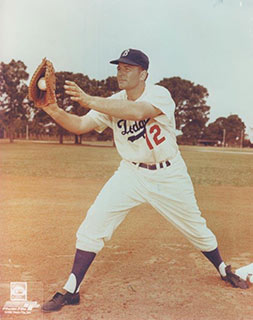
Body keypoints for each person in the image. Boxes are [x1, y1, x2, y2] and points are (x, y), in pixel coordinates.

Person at [40, 49, 248, 312]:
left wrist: (90, 99)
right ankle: (71, 288)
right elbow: (80, 125)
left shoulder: (159, 94)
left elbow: (137, 111)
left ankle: (222, 268)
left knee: (196, 228)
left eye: (128, 68)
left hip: (169, 173)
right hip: (131, 173)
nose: (121, 72)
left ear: (144, 74)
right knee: (94, 222)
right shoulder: (112, 101)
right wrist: (52, 109)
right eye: (119, 67)